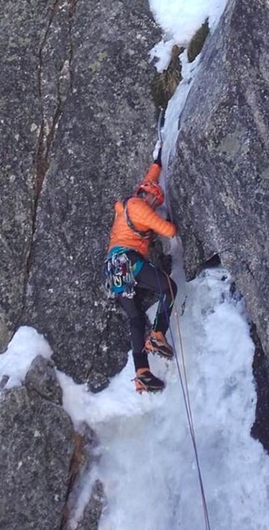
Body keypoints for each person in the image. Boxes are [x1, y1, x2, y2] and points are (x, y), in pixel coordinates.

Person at [104, 147, 177, 393]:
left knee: (135, 319)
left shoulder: (130, 203)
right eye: (154, 200)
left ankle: (142, 372)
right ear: (146, 197)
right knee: (169, 287)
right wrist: (164, 219)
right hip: (128, 260)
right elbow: (169, 231)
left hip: (113, 269)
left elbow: (149, 180)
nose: (155, 204)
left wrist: (157, 163)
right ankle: (157, 334)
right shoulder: (140, 207)